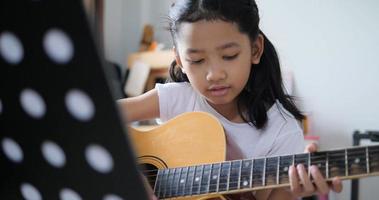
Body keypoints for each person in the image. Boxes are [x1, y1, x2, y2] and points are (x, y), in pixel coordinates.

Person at [118, 0, 342, 199]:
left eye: (229, 56)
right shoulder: (178, 97)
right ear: (179, 60)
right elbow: (101, 118)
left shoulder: (282, 131)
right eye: (196, 60)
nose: (214, 74)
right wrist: (130, 172)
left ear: (255, 49)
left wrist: (290, 191)